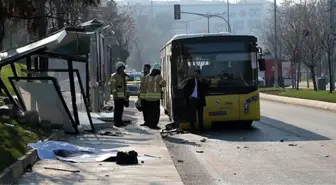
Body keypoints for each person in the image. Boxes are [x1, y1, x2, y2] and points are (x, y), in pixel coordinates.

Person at [179, 68, 209, 132]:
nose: (196, 75)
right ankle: (192, 127)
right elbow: (184, 89)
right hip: (192, 99)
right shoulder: (190, 81)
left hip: (200, 100)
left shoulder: (202, 81)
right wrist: (188, 96)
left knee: (200, 115)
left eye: (197, 74)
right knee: (192, 114)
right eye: (195, 73)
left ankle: (201, 127)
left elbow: (206, 89)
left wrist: (202, 81)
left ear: (199, 74)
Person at [145, 63, 166, 129]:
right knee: (156, 113)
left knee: (150, 112)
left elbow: (145, 86)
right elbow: (164, 84)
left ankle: (150, 124)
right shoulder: (158, 77)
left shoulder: (148, 76)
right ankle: (154, 125)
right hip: (155, 98)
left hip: (148, 97)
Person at [111, 62, 129, 127]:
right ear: (118, 68)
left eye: (123, 68)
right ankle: (116, 122)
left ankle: (120, 121)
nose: (122, 70)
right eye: (121, 68)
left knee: (121, 110)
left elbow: (125, 86)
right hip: (117, 97)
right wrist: (115, 94)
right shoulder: (114, 76)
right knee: (117, 110)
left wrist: (126, 95)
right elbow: (113, 86)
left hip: (122, 97)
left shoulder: (123, 76)